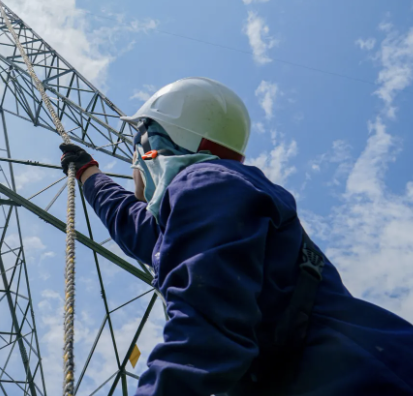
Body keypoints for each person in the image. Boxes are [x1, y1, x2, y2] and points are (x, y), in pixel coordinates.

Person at [59, 77, 413, 396]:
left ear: (152, 145)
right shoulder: (212, 196)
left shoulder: (204, 183)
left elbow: (206, 331)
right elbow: (142, 231)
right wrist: (91, 176)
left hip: (369, 380)